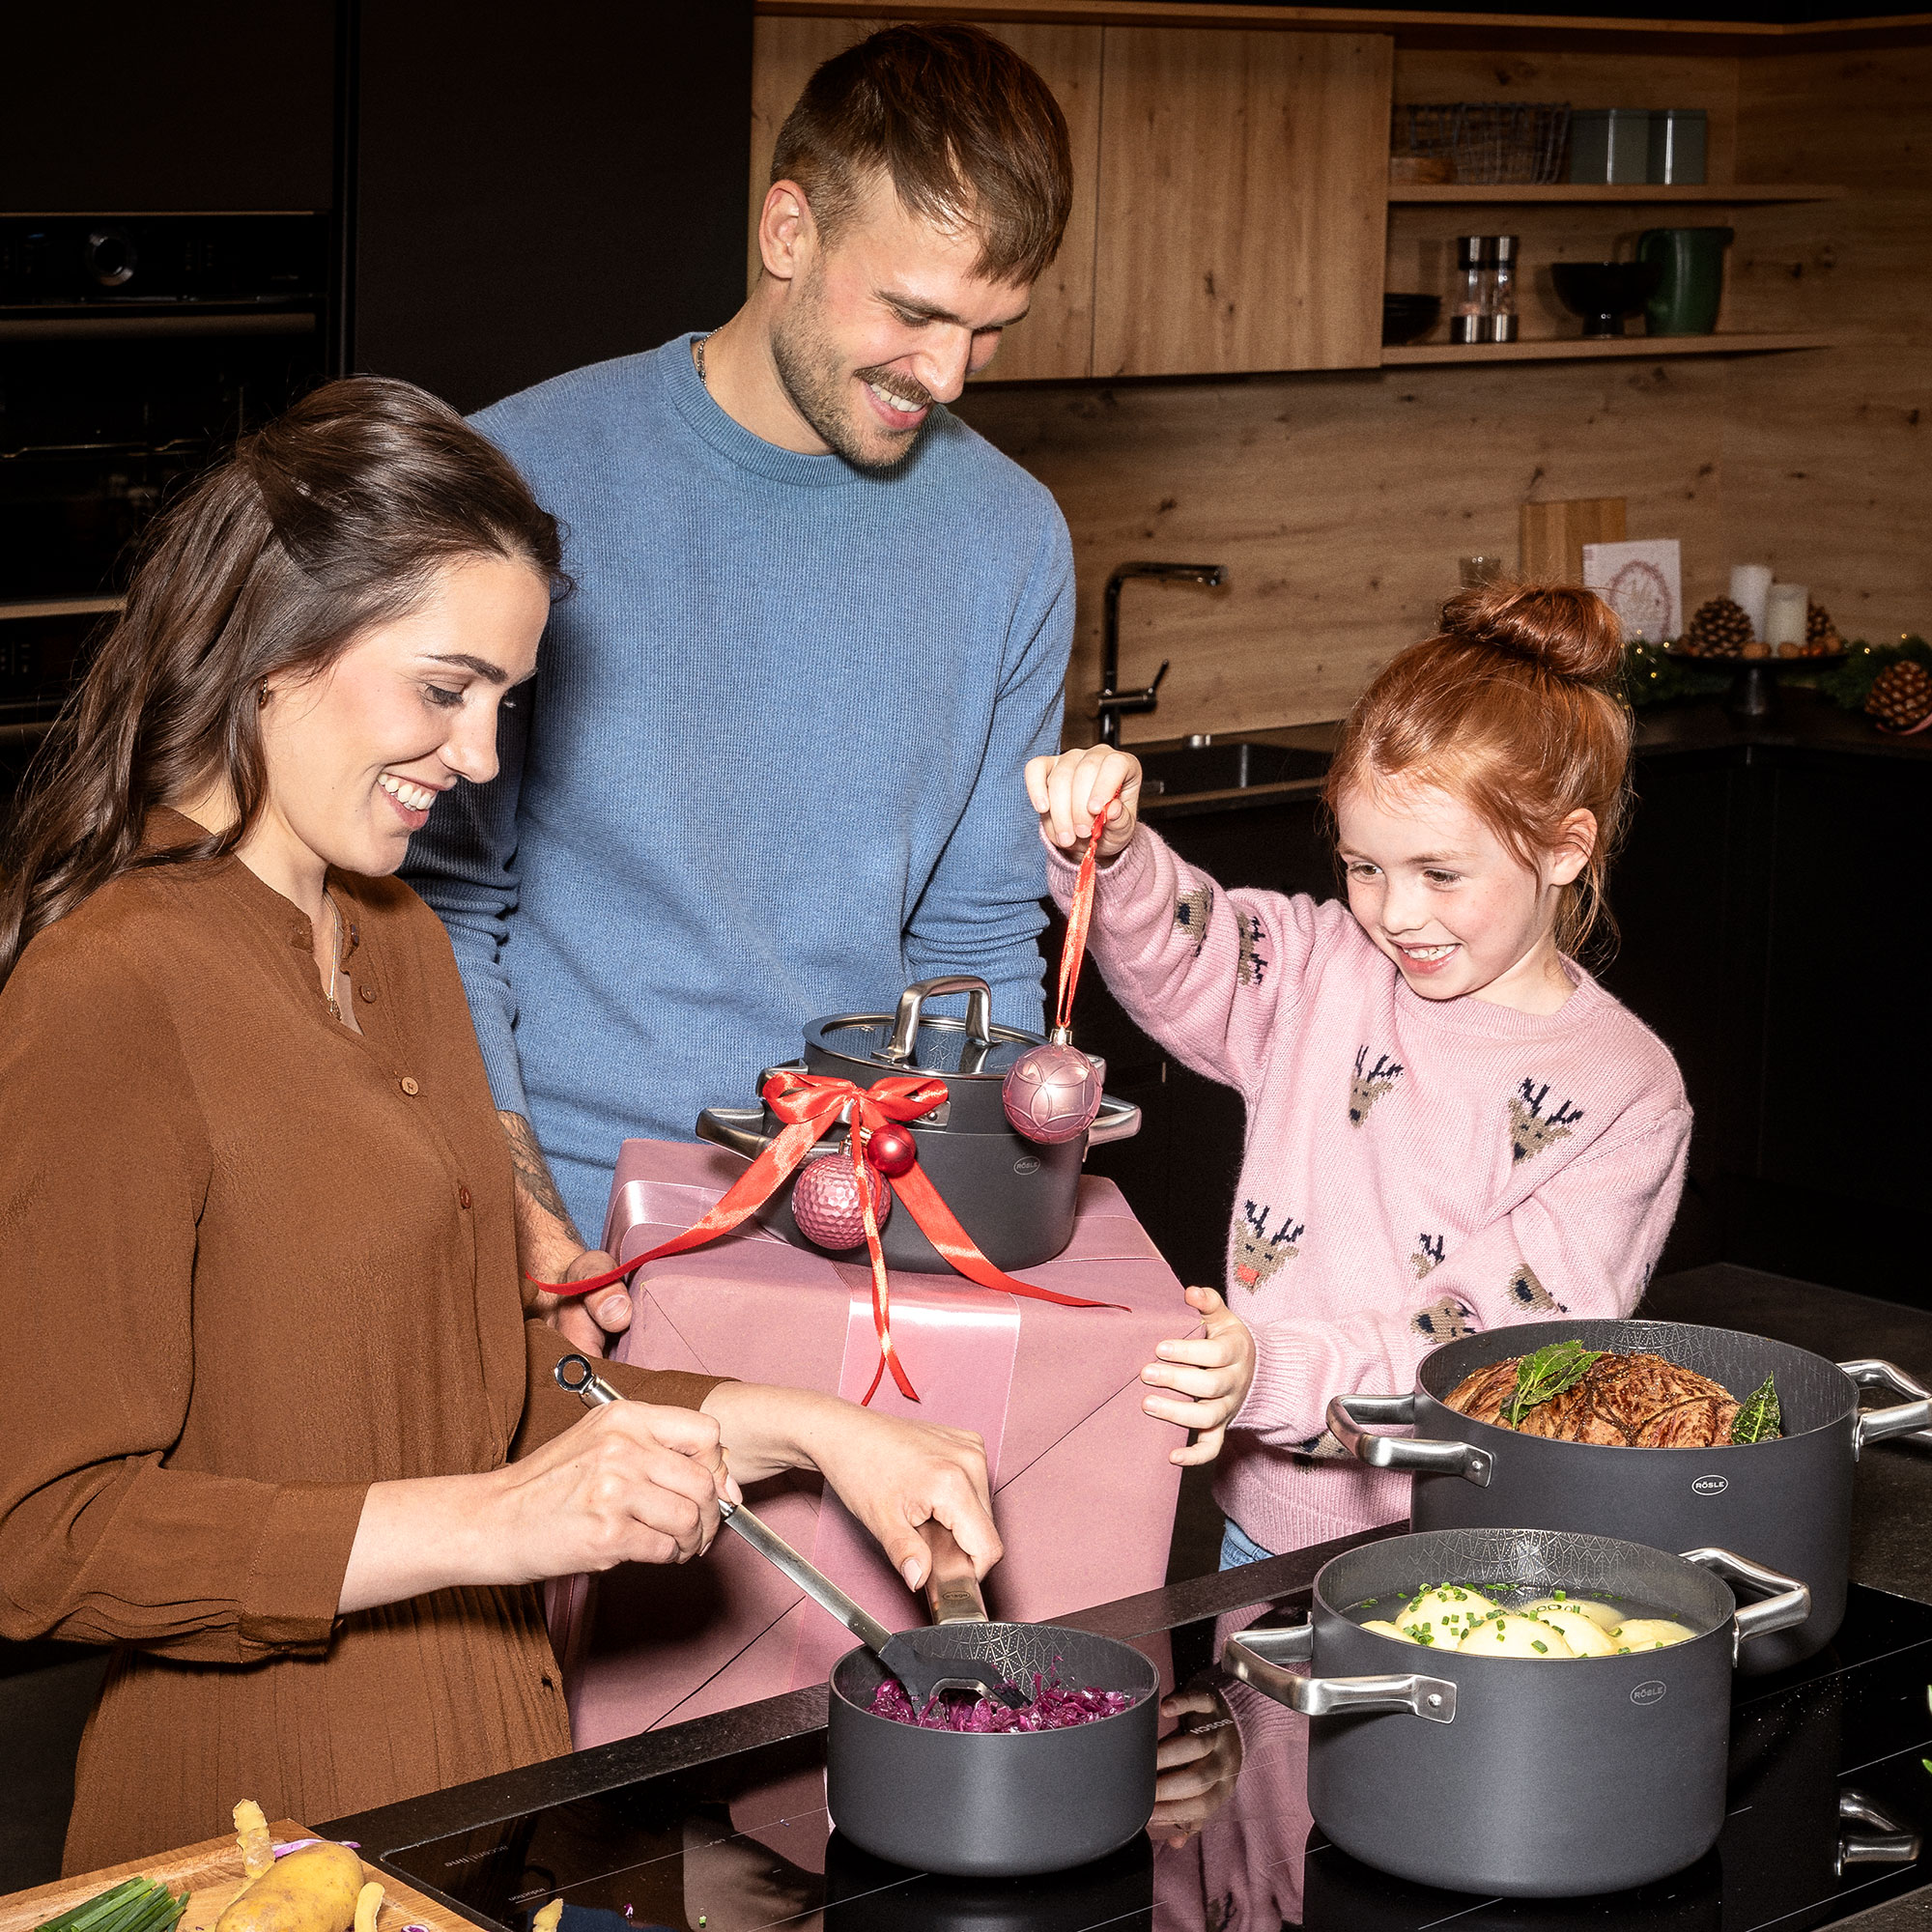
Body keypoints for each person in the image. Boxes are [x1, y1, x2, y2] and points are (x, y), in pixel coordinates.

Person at [0, 379, 999, 1873]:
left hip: (490, 1814)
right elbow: (44, 1541)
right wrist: (496, 1525)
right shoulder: (109, 988)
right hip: (259, 1856)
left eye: (503, 704)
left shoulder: (397, 938)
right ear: (274, 645)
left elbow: (495, 1403)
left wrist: (821, 1433)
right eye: (444, 689)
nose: (477, 758)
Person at [402, 23, 1078, 1351]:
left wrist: (983, 1242)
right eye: (913, 313)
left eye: (989, 332)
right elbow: (441, 913)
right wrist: (521, 1217)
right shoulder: (518, 478)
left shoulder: (1013, 538)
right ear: (787, 232)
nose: (946, 378)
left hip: (863, 1235)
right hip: (574, 1241)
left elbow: (976, 942)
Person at [1026, 584, 1691, 1566]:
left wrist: (1272, 1372)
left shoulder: (1626, 1093)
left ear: (1564, 848)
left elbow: (1497, 1353)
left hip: (1473, 1544)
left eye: (1440, 873)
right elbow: (1188, 946)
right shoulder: (1321, 966)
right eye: (1363, 866)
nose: (1395, 914)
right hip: (1260, 1526)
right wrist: (1115, 855)